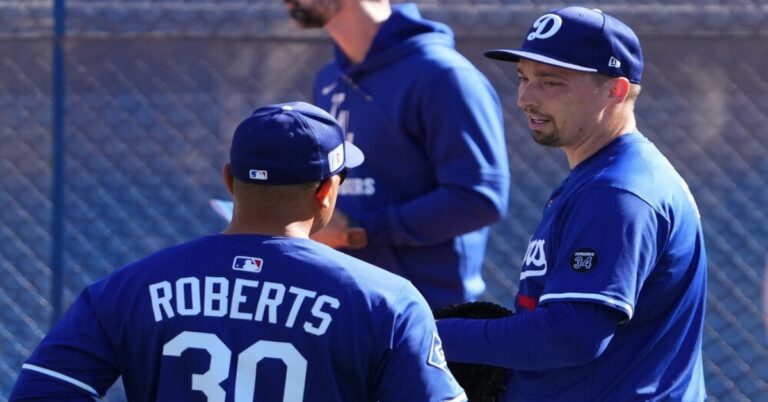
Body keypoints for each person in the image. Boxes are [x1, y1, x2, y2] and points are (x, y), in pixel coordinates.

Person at [10, 102, 468, 402]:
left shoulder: (128, 288)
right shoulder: (386, 300)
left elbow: (42, 393)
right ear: (327, 191)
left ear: (229, 179)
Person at [436, 7, 708, 401]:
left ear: (615, 90)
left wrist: (425, 332)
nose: (525, 98)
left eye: (551, 82)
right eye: (523, 78)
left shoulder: (618, 191)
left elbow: (571, 336)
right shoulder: (601, 177)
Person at [282, 0, 511, 308]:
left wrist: (359, 231)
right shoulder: (329, 79)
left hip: (428, 311)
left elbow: (480, 198)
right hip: (345, 301)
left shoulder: (443, 75)